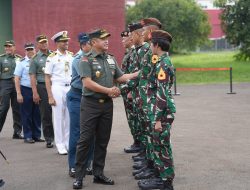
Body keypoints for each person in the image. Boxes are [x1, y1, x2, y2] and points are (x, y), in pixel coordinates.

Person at [73, 28, 138, 189]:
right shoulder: (85, 60)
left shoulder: (110, 59)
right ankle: (79, 176)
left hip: (106, 106)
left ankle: (98, 173)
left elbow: (120, 77)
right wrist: (109, 90)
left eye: (107, 38)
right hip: (90, 105)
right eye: (103, 39)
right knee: (85, 140)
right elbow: (87, 83)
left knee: (102, 140)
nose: (107, 41)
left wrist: (139, 73)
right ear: (93, 42)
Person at [138, 30, 175, 190]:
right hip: (159, 111)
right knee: (158, 145)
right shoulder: (162, 62)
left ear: (157, 45)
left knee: (162, 146)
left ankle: (166, 182)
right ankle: (161, 177)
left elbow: (162, 93)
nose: (150, 47)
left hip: (162, 112)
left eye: (152, 44)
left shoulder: (163, 64)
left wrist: (158, 119)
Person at [66, 32, 93, 178]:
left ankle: (88, 163)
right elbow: (87, 82)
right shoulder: (78, 59)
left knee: (90, 132)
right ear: (84, 45)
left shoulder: (94, 57)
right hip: (77, 96)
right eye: (91, 43)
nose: (93, 45)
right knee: (77, 132)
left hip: (89, 97)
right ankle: (73, 166)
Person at [45, 31, 73, 155]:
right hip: (57, 87)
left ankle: (67, 142)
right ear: (57, 43)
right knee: (58, 117)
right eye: (63, 41)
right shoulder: (52, 58)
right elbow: (47, 77)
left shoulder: (71, 56)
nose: (66, 42)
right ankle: (60, 144)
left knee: (69, 116)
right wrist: (50, 96)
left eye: (67, 40)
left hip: (70, 87)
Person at [29, 34, 54, 148]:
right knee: (46, 114)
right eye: (42, 42)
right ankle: (49, 138)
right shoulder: (35, 59)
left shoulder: (54, 55)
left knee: (62, 112)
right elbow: (33, 76)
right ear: (38, 44)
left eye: (45, 42)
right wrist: (35, 92)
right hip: (42, 87)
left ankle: (61, 137)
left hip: (56, 85)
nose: (44, 44)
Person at [14, 43, 42, 143]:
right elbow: (17, 79)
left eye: (31, 49)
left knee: (37, 113)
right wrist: (18, 93)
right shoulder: (21, 63)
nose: (30, 51)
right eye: (28, 50)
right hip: (25, 89)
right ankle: (28, 135)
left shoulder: (39, 60)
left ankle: (37, 135)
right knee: (26, 114)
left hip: (38, 89)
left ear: (35, 50)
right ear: (25, 51)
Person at [0, 40, 23, 139]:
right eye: (6, 46)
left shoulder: (19, 59)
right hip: (5, 83)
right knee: (3, 108)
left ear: (14, 47)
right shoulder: (1, 59)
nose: (8, 48)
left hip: (17, 84)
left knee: (17, 109)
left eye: (10, 46)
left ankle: (17, 132)